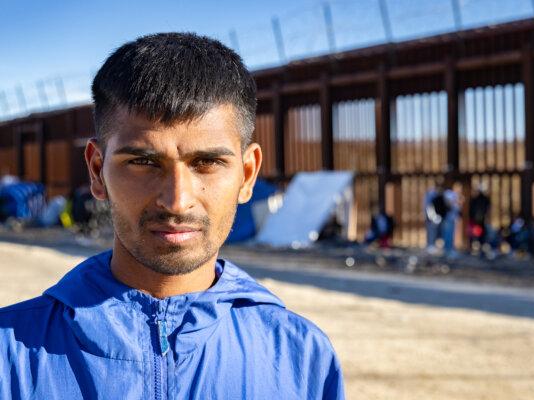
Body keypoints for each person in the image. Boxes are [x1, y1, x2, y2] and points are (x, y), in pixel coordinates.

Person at [0, 33, 344, 399]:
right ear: (97, 171)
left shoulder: (301, 358)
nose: (177, 201)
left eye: (208, 162)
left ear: (247, 175)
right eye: (144, 163)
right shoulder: (10, 357)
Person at [468, 184, 490, 252]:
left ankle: (476, 246)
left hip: (477, 219)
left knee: (476, 233)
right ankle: (480, 245)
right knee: (480, 233)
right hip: (481, 219)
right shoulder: (484, 199)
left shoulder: (475, 199)